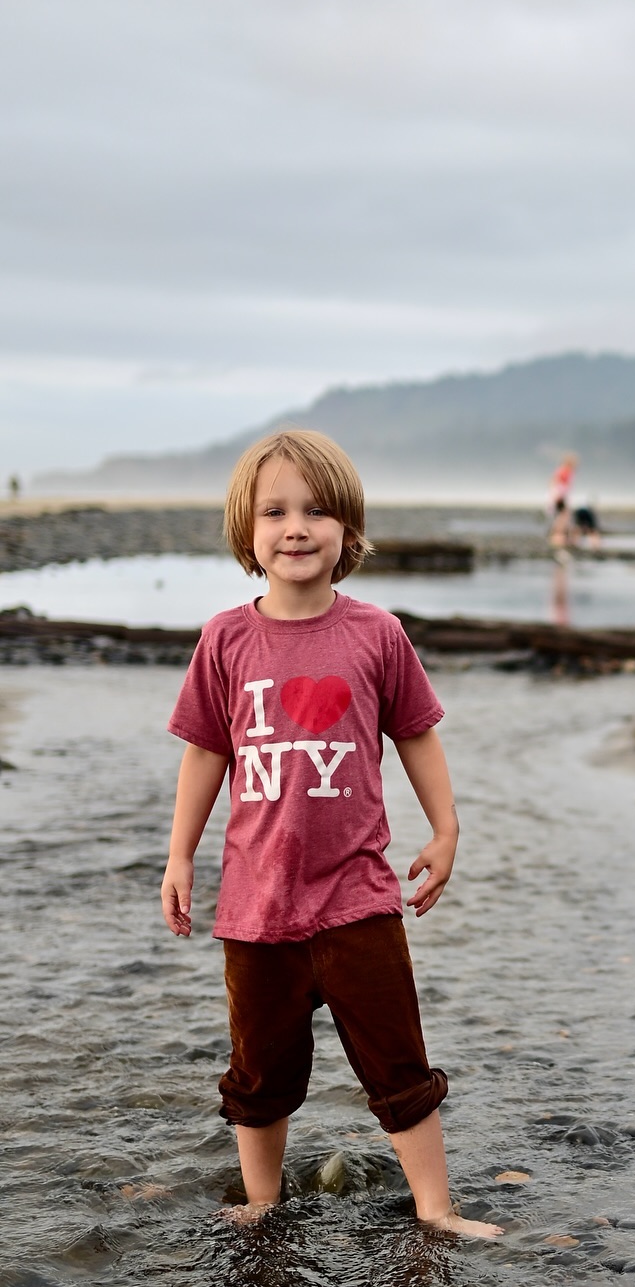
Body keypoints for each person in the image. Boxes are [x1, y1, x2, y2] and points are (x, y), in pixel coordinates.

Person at [160, 428, 502, 1238]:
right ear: (248, 531)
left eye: (317, 510)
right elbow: (207, 751)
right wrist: (178, 855)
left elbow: (416, 731)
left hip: (359, 901)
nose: (296, 527)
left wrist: (445, 828)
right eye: (274, 511)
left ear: (348, 529)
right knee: (260, 1072)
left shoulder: (377, 634)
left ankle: (436, 1210)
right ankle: (263, 1202)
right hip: (256, 907)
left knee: (399, 1063)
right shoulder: (226, 639)